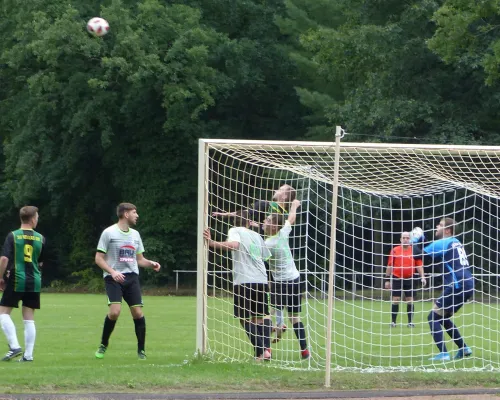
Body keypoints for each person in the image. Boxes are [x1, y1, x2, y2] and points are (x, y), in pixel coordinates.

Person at [212, 183, 296, 339]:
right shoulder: (282, 214)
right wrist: (294, 207)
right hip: (274, 253)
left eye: (280, 189)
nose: (275, 189)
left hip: (262, 253)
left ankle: (274, 324)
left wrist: (225, 215)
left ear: (284, 196)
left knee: (266, 296)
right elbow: (286, 222)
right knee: (271, 289)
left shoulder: (266, 205)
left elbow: (244, 213)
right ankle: (278, 322)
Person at [94, 203, 161, 360]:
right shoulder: (109, 233)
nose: (137, 215)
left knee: (138, 313)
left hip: (131, 278)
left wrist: (151, 263)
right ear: (125, 214)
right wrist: (112, 272)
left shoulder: (135, 235)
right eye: (134, 212)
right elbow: (98, 258)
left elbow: (139, 260)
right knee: (114, 312)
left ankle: (141, 351)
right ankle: (104, 344)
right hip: (113, 278)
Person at [203, 210, 273, 361]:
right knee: (260, 317)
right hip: (261, 279)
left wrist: (212, 243)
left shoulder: (235, 230)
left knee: (244, 318)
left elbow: (234, 245)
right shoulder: (257, 235)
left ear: (234, 222)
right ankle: (265, 350)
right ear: (249, 222)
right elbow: (265, 256)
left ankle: (262, 351)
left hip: (244, 280)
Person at [411, 218, 474, 361]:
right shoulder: (455, 242)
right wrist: (424, 240)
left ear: (447, 230)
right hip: (467, 284)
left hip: (457, 285)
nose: (436, 227)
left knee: (432, 317)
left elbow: (419, 255)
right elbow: (432, 252)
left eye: (439, 225)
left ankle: (444, 354)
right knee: (442, 317)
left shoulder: (443, 242)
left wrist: (414, 240)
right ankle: (464, 348)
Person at [263, 199, 310, 360]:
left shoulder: (268, 243)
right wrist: (294, 206)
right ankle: (304, 351)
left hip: (280, 283)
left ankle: (267, 350)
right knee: (294, 318)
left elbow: (255, 253)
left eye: (268, 220)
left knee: (268, 315)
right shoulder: (283, 233)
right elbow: (291, 219)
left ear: (274, 226)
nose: (264, 221)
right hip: (295, 279)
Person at [0, 206, 45, 362]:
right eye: (37, 217)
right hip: (35, 280)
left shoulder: (13, 236)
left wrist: (1, 277)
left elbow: (4, 259)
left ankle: (14, 346)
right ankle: (28, 356)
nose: (37, 219)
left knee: (3, 313)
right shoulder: (40, 238)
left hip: (17, 278)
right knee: (29, 318)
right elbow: (40, 262)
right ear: (32, 219)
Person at [384, 231, 427, 328]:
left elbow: (419, 265)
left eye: (407, 238)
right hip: (397, 277)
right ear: (400, 239)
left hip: (410, 278)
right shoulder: (395, 250)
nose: (405, 240)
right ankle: (393, 322)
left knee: (410, 300)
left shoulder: (414, 250)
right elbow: (390, 265)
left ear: (410, 239)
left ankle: (410, 322)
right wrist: (386, 280)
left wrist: (423, 277)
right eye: (404, 238)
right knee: (396, 299)